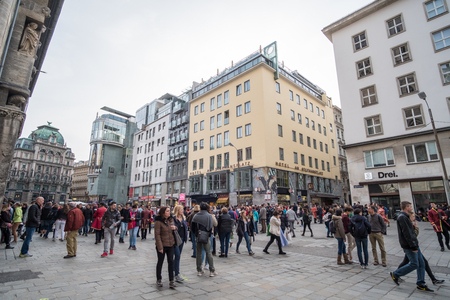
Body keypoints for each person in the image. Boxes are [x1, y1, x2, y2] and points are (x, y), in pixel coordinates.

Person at [390, 201, 433, 292]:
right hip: (409, 245)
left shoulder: (405, 217)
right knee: (414, 264)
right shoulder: (402, 217)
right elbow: (407, 234)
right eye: (410, 206)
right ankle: (396, 274)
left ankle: (421, 283)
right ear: (406, 207)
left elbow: (409, 232)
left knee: (421, 263)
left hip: (414, 243)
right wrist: (413, 246)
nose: (411, 208)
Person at [397, 210, 445, 285]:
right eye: (413, 217)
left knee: (412, 262)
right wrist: (416, 228)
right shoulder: (408, 224)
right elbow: (412, 236)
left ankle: (432, 279)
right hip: (411, 247)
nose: (414, 218)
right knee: (416, 263)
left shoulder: (409, 224)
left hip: (412, 246)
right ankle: (396, 274)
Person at [192, 203, 217, 277]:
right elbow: (212, 225)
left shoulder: (196, 216)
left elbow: (192, 226)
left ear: (200, 208)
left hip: (199, 235)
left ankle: (199, 270)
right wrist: (208, 233)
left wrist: (196, 233)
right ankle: (212, 270)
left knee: (199, 252)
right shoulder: (209, 216)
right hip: (206, 235)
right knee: (208, 252)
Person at [154, 206, 177, 288]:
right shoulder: (158, 222)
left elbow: (174, 229)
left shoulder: (170, 220)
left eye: (169, 211)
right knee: (160, 261)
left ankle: (171, 280)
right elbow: (157, 235)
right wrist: (160, 247)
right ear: (163, 212)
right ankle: (159, 279)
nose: (169, 212)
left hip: (171, 244)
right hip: (162, 245)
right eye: (167, 211)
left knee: (171, 262)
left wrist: (175, 227)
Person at [173, 205, 188, 282]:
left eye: (182, 209)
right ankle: (177, 274)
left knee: (177, 256)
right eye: (181, 209)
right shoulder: (173, 219)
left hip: (182, 239)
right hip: (175, 239)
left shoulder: (183, 218)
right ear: (177, 210)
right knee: (177, 255)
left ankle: (173, 269)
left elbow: (185, 228)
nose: (182, 211)